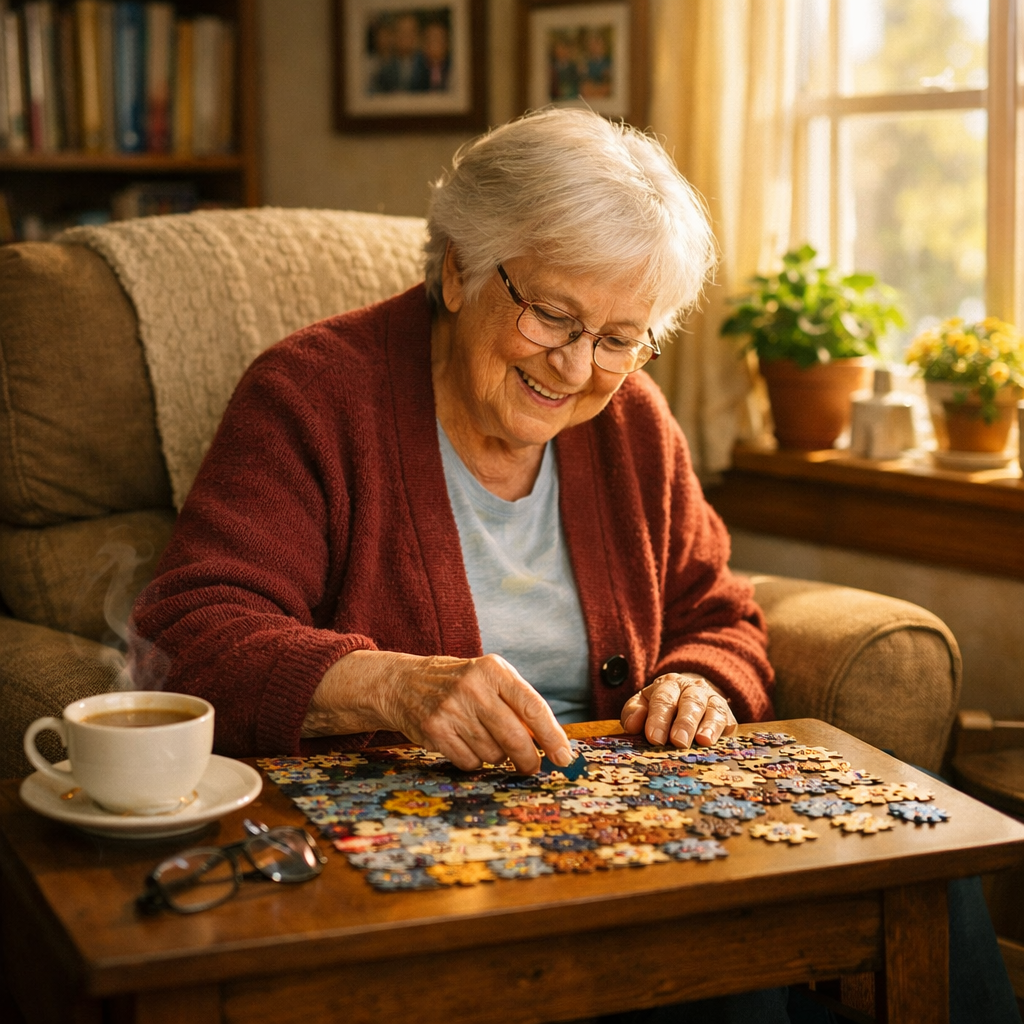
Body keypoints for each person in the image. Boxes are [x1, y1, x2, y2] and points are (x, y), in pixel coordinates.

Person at [128, 109, 1019, 1024]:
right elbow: (188, 632)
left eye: (619, 337)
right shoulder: (313, 396)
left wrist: (697, 681)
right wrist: (394, 686)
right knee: (735, 982)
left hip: (620, 832)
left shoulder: (632, 422)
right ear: (457, 269)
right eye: (553, 314)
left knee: (932, 868)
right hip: (417, 848)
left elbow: (719, 613)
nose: (577, 366)